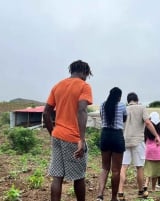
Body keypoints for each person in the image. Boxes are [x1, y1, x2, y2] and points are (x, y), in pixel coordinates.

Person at [43, 60, 93, 201]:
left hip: (57, 135)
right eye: (87, 75)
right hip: (73, 138)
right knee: (79, 177)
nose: (86, 78)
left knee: (57, 177)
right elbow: (82, 110)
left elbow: (46, 113)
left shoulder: (57, 86)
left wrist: (53, 133)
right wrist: (81, 140)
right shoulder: (84, 86)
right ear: (85, 72)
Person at [118, 92, 160, 201]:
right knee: (139, 167)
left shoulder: (124, 109)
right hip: (138, 141)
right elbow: (147, 122)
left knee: (123, 167)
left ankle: (120, 192)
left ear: (128, 101)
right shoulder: (142, 108)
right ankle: (141, 191)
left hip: (125, 141)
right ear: (137, 99)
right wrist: (156, 135)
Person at [97, 87, 127, 201]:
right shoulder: (122, 105)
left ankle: (100, 195)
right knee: (116, 170)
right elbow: (124, 119)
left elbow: (102, 117)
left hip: (105, 135)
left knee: (105, 168)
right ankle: (114, 198)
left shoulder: (102, 105)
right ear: (119, 96)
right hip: (117, 136)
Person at [143, 112, 160, 192]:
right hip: (158, 151)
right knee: (155, 172)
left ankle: (145, 184)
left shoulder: (147, 126)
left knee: (148, 169)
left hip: (149, 150)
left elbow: (144, 138)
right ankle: (153, 188)